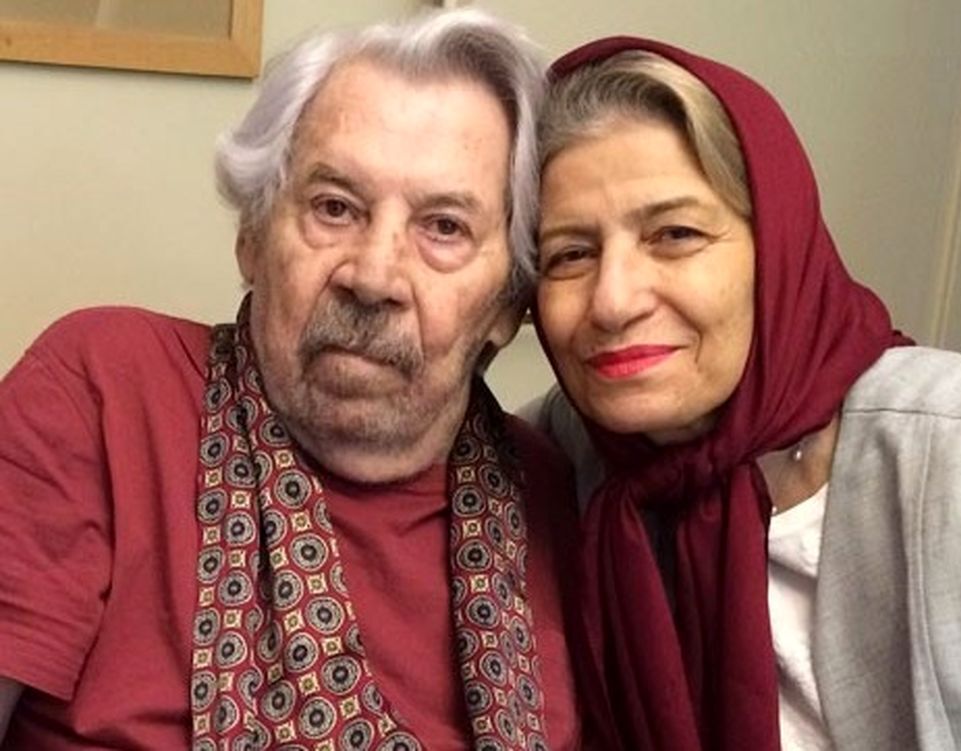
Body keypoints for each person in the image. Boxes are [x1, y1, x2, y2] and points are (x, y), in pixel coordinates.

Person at [525, 36, 961, 749]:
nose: (614, 300)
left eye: (675, 234)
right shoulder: (553, 461)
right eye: (570, 253)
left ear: (778, 247)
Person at [0, 10, 582, 750]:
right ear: (252, 237)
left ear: (507, 304)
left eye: (444, 227)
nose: (374, 276)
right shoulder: (106, 390)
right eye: (334, 207)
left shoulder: (556, 494)